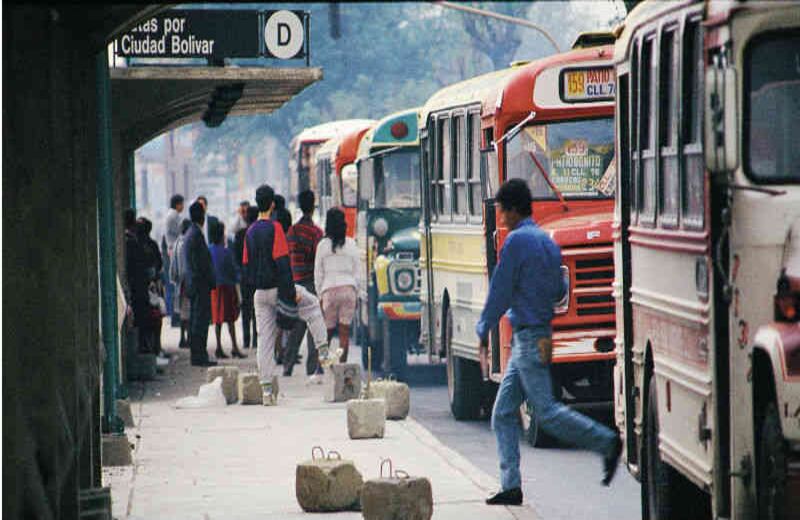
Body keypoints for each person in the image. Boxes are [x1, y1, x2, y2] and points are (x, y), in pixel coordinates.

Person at [476, 179, 622, 506]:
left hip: (527, 336)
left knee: (547, 412)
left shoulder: (515, 243)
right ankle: (511, 486)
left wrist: (483, 328)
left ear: (513, 209)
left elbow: (499, 291)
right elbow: (558, 289)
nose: (500, 216)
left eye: (502, 209)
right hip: (539, 333)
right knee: (502, 412)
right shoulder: (546, 240)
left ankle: (606, 442)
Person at [242, 184, 329, 405]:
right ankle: (324, 352)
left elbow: (247, 267)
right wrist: (290, 293)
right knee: (312, 306)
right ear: (272, 204)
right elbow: (282, 263)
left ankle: (267, 392)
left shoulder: (250, 232)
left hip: (259, 293)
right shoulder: (276, 228)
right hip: (278, 288)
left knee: (265, 341)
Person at [283, 190, 324, 379]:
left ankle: (287, 365)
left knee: (296, 326)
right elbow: (317, 258)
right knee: (313, 324)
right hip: (310, 281)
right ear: (313, 205)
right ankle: (312, 367)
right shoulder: (316, 233)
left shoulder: (291, 231)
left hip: (294, 282)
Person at [314, 207, 362, 364]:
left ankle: (322, 368)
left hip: (329, 291)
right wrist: (357, 292)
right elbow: (357, 271)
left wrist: (319, 295)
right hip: (348, 290)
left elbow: (318, 273)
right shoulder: (351, 244)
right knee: (344, 333)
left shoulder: (322, 245)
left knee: (326, 333)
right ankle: (343, 370)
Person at [184, 201, 217, 367]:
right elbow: (202, 263)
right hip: (200, 285)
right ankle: (199, 355)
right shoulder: (196, 235)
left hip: (195, 284)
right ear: (202, 216)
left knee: (197, 320)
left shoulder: (190, 233)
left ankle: (198, 354)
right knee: (200, 321)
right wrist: (210, 280)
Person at [210, 221, 246, 359]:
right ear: (221, 235)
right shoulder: (226, 252)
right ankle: (234, 347)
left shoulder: (209, 250)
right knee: (230, 319)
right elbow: (233, 270)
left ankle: (219, 346)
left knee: (217, 319)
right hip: (227, 288)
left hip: (214, 288)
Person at [137, 217, 167, 360]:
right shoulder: (152, 245)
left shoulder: (138, 244)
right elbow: (159, 264)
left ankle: (150, 348)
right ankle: (157, 347)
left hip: (145, 288)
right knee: (156, 319)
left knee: (148, 320)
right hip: (153, 287)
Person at [123, 208, 151, 354]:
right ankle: (142, 351)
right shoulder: (133, 243)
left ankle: (141, 349)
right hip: (138, 288)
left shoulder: (129, 241)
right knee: (141, 321)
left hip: (135, 287)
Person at [234, 206, 259, 349]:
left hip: (244, 276)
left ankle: (246, 340)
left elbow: (236, 257)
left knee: (246, 309)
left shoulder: (239, 235)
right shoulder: (259, 234)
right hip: (257, 276)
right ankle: (256, 340)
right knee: (256, 310)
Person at [169, 218, 193, 349]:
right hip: (186, 282)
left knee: (184, 313)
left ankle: (183, 337)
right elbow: (184, 267)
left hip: (180, 283)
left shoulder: (177, 242)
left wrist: (174, 279)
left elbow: (173, 266)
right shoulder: (185, 243)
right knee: (187, 313)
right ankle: (186, 338)